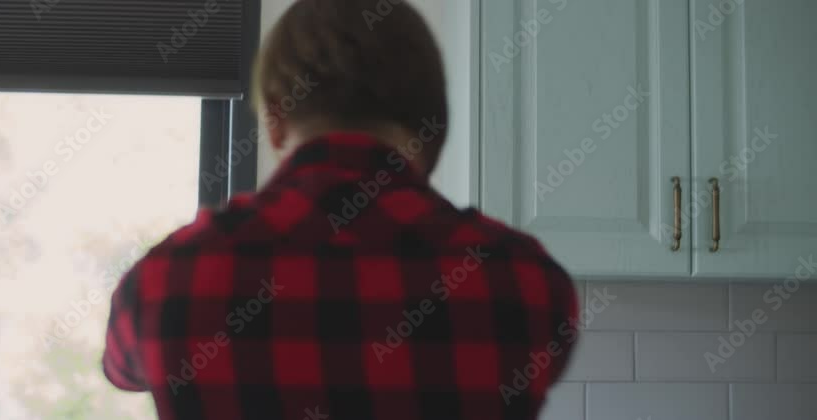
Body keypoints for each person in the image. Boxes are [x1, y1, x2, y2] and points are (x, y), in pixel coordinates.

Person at [102, 0, 579, 418]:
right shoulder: (526, 284)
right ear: (432, 126)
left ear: (273, 117)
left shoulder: (165, 282)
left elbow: (121, 370)